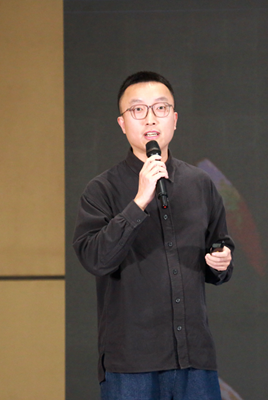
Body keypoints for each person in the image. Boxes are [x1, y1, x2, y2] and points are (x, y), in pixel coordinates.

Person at [72, 71, 234, 400]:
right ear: (122, 123)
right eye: (138, 110)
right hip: (131, 364)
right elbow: (95, 258)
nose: (150, 119)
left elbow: (220, 250)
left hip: (194, 360)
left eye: (160, 108)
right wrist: (139, 201)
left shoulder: (201, 184)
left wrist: (221, 261)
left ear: (174, 119)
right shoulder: (101, 189)